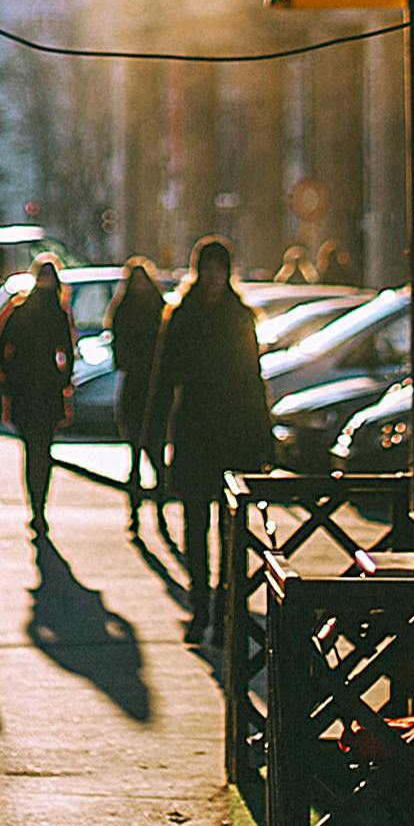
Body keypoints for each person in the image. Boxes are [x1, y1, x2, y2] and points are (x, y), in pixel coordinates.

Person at [144, 237, 272, 644]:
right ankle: (202, 607)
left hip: (231, 436)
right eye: (209, 268)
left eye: (220, 268)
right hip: (196, 433)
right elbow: (164, 379)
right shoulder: (182, 316)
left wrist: (262, 440)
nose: (215, 276)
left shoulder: (239, 318)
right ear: (199, 272)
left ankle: (225, 613)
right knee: (196, 525)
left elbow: (253, 380)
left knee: (230, 532)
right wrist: (152, 435)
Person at [0, 256, 75, 538]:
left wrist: (9, 377)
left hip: (26, 390)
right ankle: (40, 508)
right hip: (47, 389)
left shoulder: (20, 309)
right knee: (43, 451)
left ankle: (36, 508)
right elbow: (68, 352)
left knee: (32, 451)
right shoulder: (57, 312)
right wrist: (63, 379)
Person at [107, 257, 167, 535]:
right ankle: (149, 510)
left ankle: (149, 509)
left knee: (146, 453)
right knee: (143, 454)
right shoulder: (154, 307)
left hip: (145, 387)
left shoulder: (128, 308)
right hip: (145, 387)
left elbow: (119, 349)